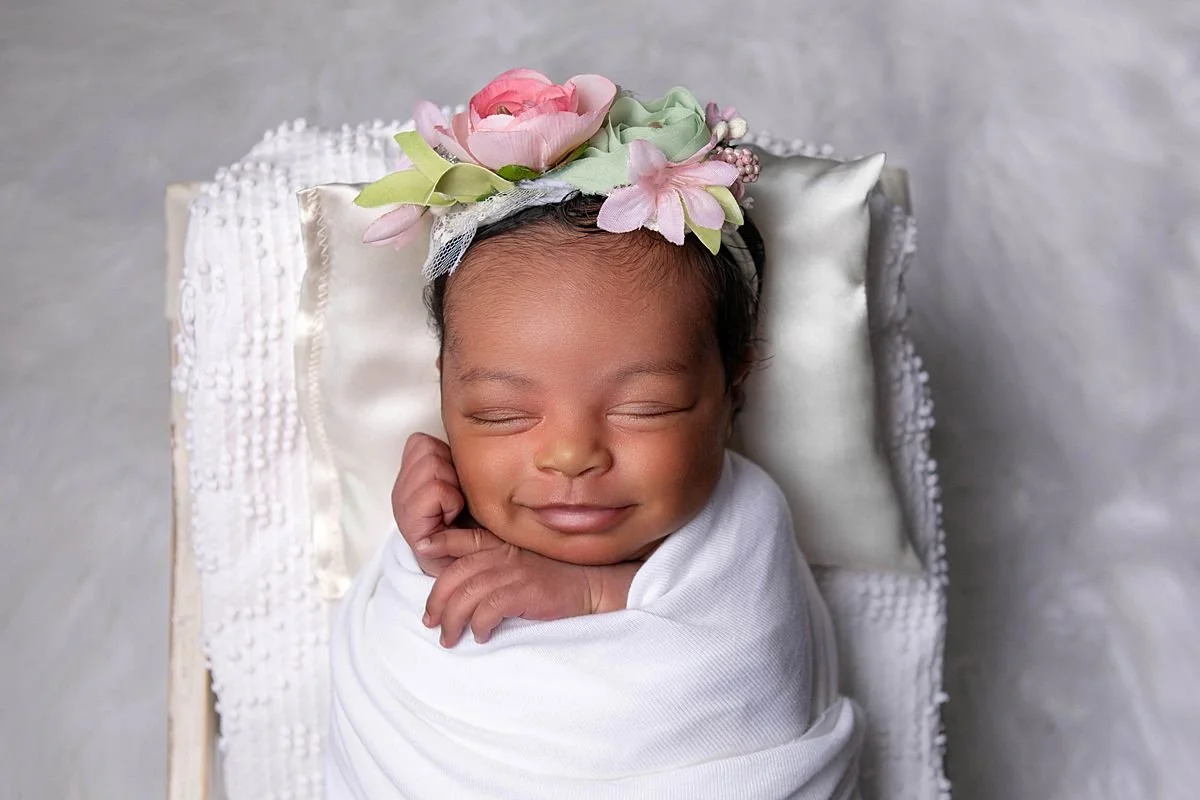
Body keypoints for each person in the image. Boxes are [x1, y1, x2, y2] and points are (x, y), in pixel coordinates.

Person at [327, 68, 863, 799]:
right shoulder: (446, 517)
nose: (572, 455)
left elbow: (749, 678)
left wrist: (589, 594)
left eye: (646, 407)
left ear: (733, 388)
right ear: (445, 398)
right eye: (499, 415)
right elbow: (404, 655)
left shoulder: (746, 527)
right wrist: (425, 553)